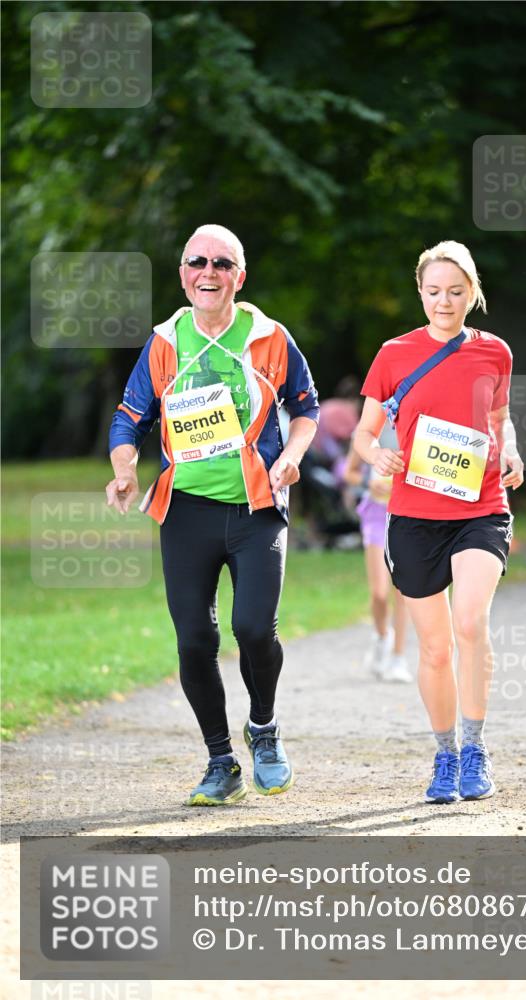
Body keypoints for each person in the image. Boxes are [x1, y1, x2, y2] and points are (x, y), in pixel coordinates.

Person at [106, 224, 319, 806]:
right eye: (197, 261)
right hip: (187, 511)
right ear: (182, 274)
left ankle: (265, 730)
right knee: (194, 640)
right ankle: (221, 761)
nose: (209, 271)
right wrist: (125, 468)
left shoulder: (271, 338)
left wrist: (293, 458)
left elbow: (306, 407)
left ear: (238, 277)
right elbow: (130, 416)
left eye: (222, 263)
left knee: (254, 627)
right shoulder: (164, 343)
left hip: (256, 506)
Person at [354, 240, 524, 804]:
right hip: (414, 514)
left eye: (455, 291)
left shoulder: (494, 352)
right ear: (420, 293)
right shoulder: (394, 353)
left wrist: (512, 452)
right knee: (434, 649)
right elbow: (363, 431)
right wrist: (376, 453)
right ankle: (445, 755)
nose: (444, 301)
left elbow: (500, 419)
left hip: (480, 506)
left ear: (471, 292)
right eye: (433, 292)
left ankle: (476, 749)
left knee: (470, 623)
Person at [342, 429, 411, 683]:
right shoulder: (371, 427)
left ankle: (398, 657)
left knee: (403, 591)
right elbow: (349, 472)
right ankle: (382, 636)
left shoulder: (418, 420)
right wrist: (367, 483)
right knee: (379, 594)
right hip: (376, 514)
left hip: (407, 514)